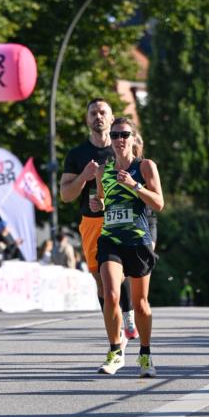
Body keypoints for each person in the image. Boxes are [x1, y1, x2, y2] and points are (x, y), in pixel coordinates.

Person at [60, 98, 138, 340]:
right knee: (101, 281)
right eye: (93, 113)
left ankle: (128, 316)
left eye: (103, 112)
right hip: (91, 221)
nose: (98, 116)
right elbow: (65, 195)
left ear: (111, 118)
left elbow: (139, 177)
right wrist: (84, 176)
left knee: (119, 272)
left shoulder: (121, 148)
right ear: (87, 119)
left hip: (119, 219)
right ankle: (114, 322)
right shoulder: (77, 154)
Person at [95, 117, 163, 376]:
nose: (119, 140)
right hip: (111, 238)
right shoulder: (104, 171)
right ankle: (115, 351)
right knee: (111, 294)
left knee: (141, 302)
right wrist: (98, 206)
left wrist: (135, 186)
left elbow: (159, 203)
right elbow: (102, 200)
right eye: (114, 135)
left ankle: (145, 354)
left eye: (124, 134)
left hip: (138, 241)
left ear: (133, 138)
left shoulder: (144, 166)